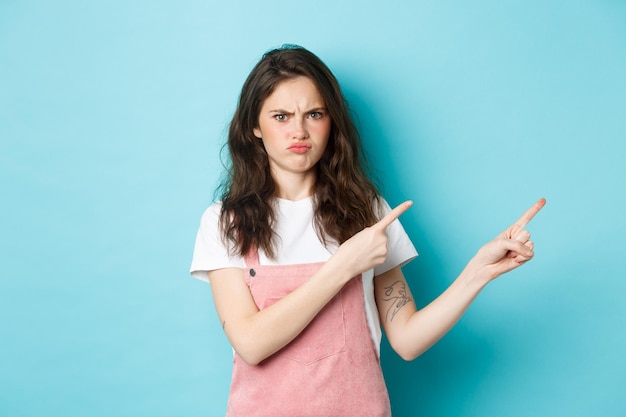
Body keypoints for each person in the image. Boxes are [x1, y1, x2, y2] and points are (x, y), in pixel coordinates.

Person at [190, 44, 545, 417]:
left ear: (332, 122)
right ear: (254, 127)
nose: (299, 130)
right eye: (281, 116)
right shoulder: (224, 223)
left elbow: (407, 339)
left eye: (314, 114)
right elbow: (250, 343)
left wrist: (479, 271)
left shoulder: (368, 211)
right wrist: (343, 266)